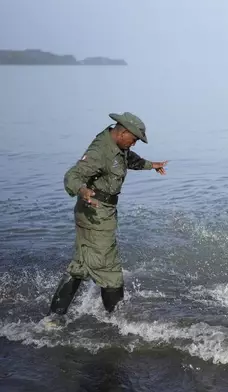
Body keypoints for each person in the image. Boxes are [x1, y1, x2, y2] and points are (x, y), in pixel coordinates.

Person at [46, 112, 168, 322]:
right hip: (95, 212)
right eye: (134, 139)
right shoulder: (100, 151)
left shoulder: (119, 147)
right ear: (123, 133)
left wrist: (151, 165)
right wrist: (82, 191)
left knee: (82, 264)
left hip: (102, 212)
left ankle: (54, 317)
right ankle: (117, 321)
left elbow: (127, 159)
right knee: (109, 268)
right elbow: (72, 176)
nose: (135, 144)